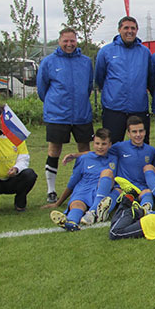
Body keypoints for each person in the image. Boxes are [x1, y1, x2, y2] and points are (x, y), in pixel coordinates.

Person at [37, 26, 94, 203]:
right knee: (54, 149)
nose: (69, 44)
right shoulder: (49, 62)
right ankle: (51, 190)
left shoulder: (86, 62)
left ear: (77, 41)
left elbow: (89, 86)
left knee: (85, 150)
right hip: (57, 115)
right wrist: (56, 103)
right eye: (66, 41)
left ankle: (84, 186)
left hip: (81, 114)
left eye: (72, 40)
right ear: (59, 41)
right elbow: (42, 89)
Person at [95, 16, 155, 144]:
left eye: (133, 28)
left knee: (141, 146)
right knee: (112, 146)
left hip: (138, 108)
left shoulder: (145, 52)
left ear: (137, 30)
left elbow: (151, 78)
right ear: (119, 30)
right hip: (114, 108)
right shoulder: (106, 51)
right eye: (126, 28)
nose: (130, 31)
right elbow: (100, 77)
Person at [46, 128, 116, 230]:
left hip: (101, 190)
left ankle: (93, 211)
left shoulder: (115, 157)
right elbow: (73, 182)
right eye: (97, 143)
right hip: (84, 189)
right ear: (93, 144)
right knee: (77, 204)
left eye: (104, 144)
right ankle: (71, 222)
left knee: (107, 172)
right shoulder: (84, 158)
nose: (100, 147)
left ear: (110, 144)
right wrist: (58, 203)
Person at [0, 105, 37, 212]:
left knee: (30, 174)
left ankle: (20, 202)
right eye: (1, 119)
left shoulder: (16, 134)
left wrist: (16, 168)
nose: (5, 122)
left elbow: (24, 157)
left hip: (12, 178)